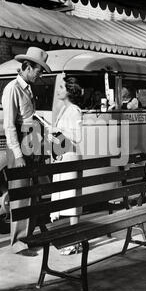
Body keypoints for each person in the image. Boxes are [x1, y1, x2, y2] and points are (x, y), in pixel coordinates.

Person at [1, 46, 51, 256]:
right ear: (26, 67)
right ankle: (18, 242)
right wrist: (18, 155)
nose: (39, 76)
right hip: (20, 146)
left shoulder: (27, 88)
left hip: (31, 143)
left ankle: (27, 235)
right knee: (21, 193)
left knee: (31, 191)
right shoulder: (12, 89)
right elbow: (9, 125)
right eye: (38, 71)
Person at [48, 77, 83, 255]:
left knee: (72, 201)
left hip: (70, 158)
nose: (59, 90)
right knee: (68, 200)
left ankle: (74, 241)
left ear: (69, 91)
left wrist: (59, 132)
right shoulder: (64, 109)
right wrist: (54, 137)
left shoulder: (74, 111)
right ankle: (73, 240)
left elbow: (77, 137)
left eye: (62, 87)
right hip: (63, 156)